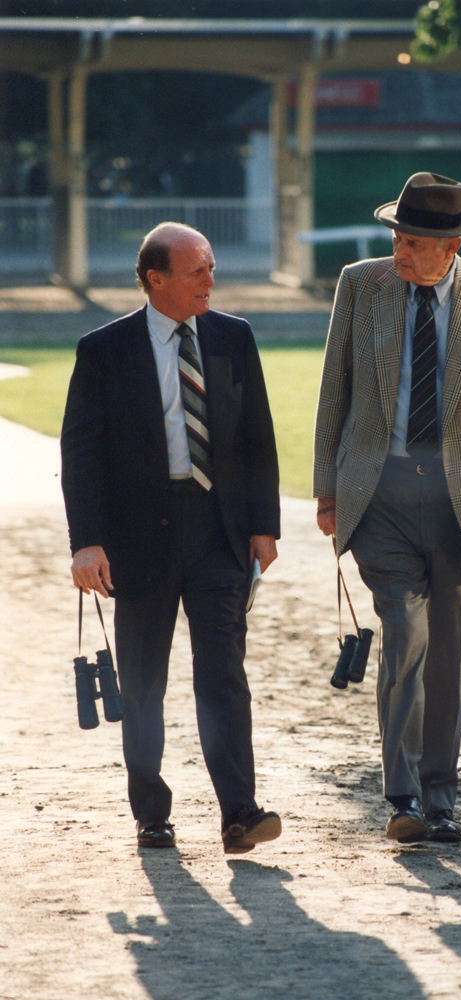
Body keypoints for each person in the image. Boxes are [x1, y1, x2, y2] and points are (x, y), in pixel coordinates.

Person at [314, 173, 461, 845]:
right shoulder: (360, 287)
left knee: (445, 655)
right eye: (397, 236)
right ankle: (403, 799)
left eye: (414, 242)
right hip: (378, 496)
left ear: (450, 247)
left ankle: (442, 800)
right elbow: (336, 388)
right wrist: (328, 487)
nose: (400, 252)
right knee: (404, 637)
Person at [61, 222, 282, 855]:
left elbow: (258, 440)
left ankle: (239, 812)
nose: (212, 280)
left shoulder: (235, 337)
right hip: (138, 539)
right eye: (198, 271)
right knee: (143, 683)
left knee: (223, 675)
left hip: (220, 531)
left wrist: (263, 526)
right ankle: (151, 814)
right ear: (157, 280)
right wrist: (87, 542)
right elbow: (80, 452)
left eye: (211, 267)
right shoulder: (103, 349)